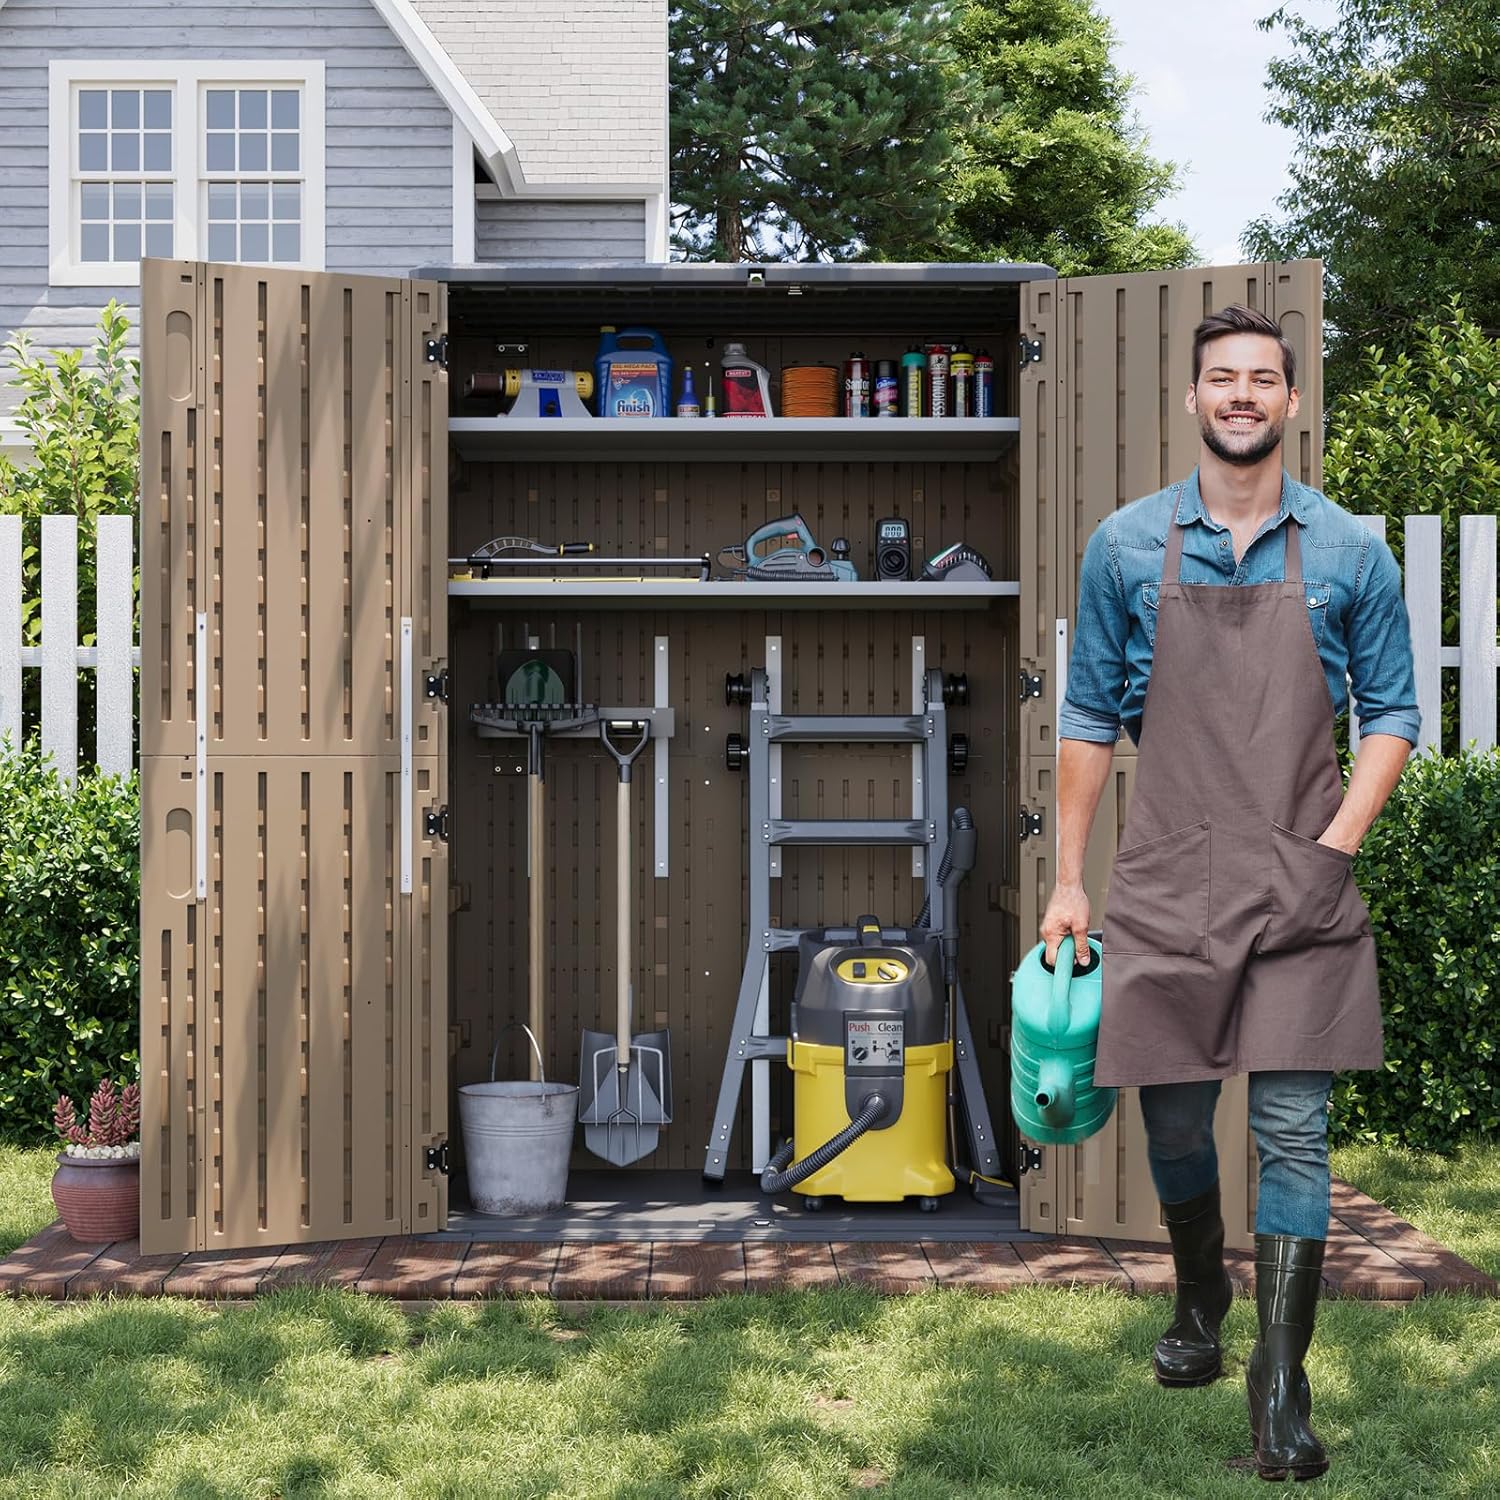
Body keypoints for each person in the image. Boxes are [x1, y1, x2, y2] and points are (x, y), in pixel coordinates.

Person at [1041, 305, 1419, 1482]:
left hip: (1300, 884)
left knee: (1294, 1130)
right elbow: (1093, 717)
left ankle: (1281, 1387)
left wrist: (1337, 846)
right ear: (1194, 398)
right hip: (1163, 878)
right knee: (1171, 1124)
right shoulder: (1125, 547)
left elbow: (1393, 714)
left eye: (1264, 379)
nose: (1242, 395)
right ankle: (1200, 1297)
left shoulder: (1352, 552)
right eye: (1223, 379)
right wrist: (1067, 880)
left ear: (1291, 403)